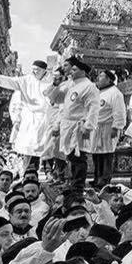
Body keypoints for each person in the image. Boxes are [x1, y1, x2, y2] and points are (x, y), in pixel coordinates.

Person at [45, 57, 100, 189]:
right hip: (67, 125)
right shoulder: (70, 84)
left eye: (74, 69)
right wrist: (56, 84)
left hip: (79, 127)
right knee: (69, 156)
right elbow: (53, 98)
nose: (71, 72)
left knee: (79, 158)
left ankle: (78, 186)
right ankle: (71, 182)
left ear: (83, 71)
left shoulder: (89, 86)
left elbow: (93, 108)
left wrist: (88, 127)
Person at [0, 60, 51, 170]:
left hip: (45, 118)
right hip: (30, 118)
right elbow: (9, 81)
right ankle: (28, 171)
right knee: (29, 147)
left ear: (44, 71)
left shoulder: (51, 81)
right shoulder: (25, 80)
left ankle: (46, 169)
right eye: (33, 69)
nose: (34, 72)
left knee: (46, 146)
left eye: (37, 70)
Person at [87, 70, 127, 188]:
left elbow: (119, 112)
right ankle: (97, 177)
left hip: (108, 127)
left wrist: (116, 127)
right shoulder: (97, 92)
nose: (98, 78)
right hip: (96, 127)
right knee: (96, 154)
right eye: (98, 76)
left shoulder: (115, 93)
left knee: (106, 154)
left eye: (101, 76)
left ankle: (105, 180)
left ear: (109, 79)